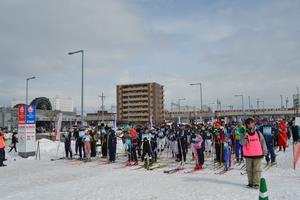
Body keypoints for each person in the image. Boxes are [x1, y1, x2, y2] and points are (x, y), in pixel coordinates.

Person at [240, 118, 267, 189]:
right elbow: (242, 143)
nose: (251, 124)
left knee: (257, 169)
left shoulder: (258, 132)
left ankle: (256, 183)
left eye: (252, 123)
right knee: (249, 169)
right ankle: (250, 183)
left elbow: (263, 141)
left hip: (258, 153)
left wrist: (265, 150)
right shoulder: (243, 133)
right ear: (247, 125)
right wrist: (245, 137)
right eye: (250, 123)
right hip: (248, 154)